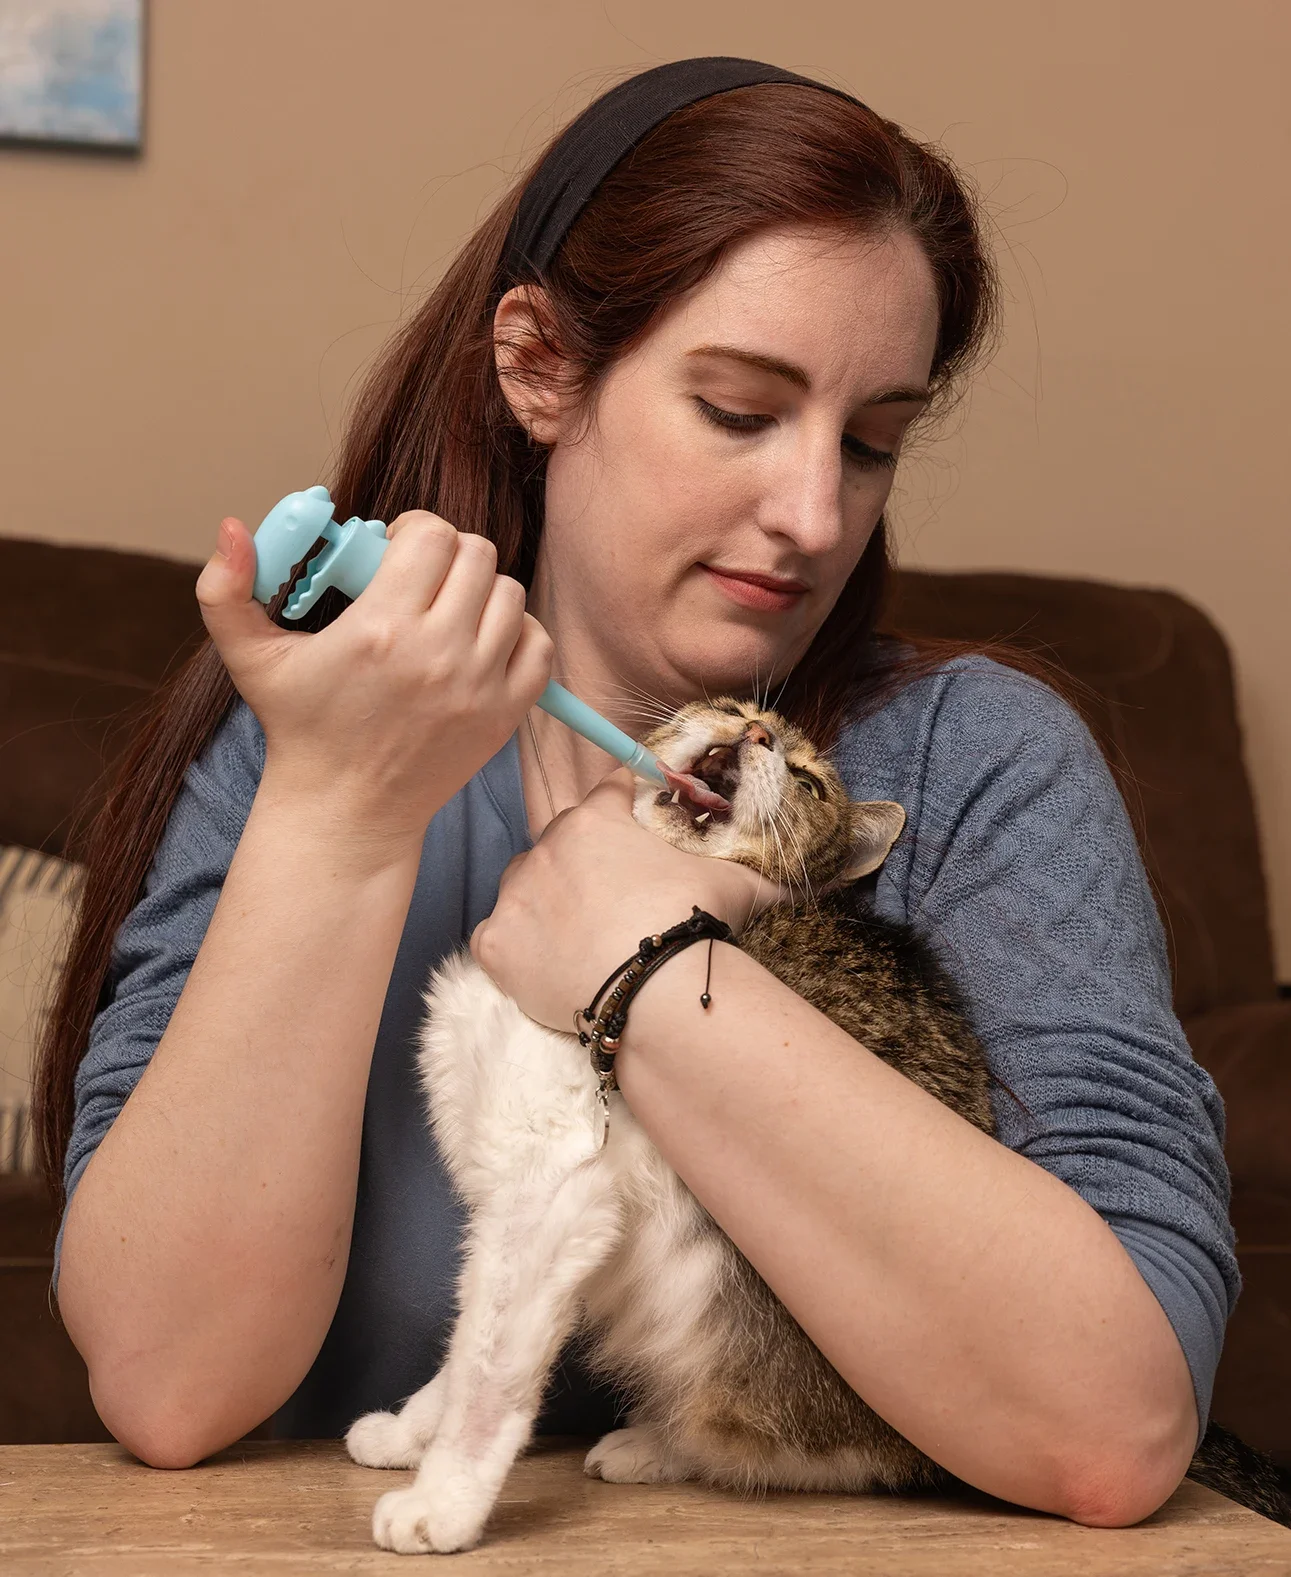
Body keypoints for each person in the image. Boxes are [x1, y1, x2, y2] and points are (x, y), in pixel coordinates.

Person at [37, 58, 1236, 1526]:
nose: (814, 516)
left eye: (870, 442)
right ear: (540, 364)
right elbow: (169, 1385)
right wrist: (339, 818)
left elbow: (1113, 1428)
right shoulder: (308, 742)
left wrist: (646, 967)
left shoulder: (976, 766)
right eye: (738, 410)